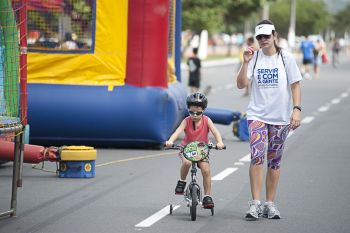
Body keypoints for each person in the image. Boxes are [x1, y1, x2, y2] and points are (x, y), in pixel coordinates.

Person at [236, 19, 302, 220]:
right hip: (257, 115)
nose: (263, 40)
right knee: (257, 155)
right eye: (259, 37)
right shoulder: (254, 58)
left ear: (274, 35)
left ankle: (270, 204)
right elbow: (241, 85)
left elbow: (295, 85)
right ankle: (255, 203)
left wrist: (296, 109)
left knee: (274, 161)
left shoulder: (286, 58)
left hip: (280, 118)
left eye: (266, 36)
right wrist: (245, 62)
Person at [165, 92, 225, 208]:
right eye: (191, 112)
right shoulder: (186, 121)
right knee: (187, 162)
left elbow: (216, 132)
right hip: (186, 148)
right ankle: (182, 181)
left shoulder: (207, 120)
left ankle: (207, 196)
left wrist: (220, 142)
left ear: (204, 110)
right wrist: (170, 141)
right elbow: (177, 132)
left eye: (198, 112)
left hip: (202, 149)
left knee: (206, 170)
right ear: (188, 110)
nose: (195, 115)